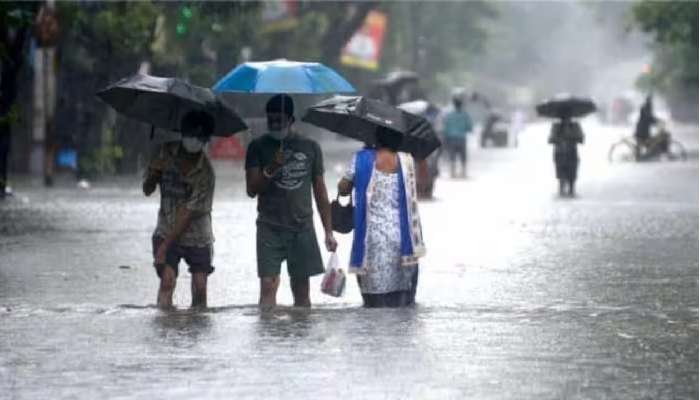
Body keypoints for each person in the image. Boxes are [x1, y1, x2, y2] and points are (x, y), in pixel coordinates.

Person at [245, 94, 337, 309]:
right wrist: (271, 168)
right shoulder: (257, 147)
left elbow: (320, 191)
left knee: (302, 291)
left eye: (280, 120)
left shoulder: (310, 147)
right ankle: (267, 336)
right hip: (269, 226)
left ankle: (300, 339)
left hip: (301, 227)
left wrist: (328, 231)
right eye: (271, 120)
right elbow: (251, 190)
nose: (275, 124)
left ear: (291, 120)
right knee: (268, 286)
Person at [337, 126, 426, 308]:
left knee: (373, 304)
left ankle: (374, 336)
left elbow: (343, 189)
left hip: (372, 241)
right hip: (403, 240)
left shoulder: (361, 159)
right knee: (402, 304)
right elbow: (415, 192)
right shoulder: (406, 161)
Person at [143, 111, 216, 309]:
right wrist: (154, 173)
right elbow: (147, 190)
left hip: (198, 234)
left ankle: (196, 331)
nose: (195, 140)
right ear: (183, 133)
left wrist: (164, 248)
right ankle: (165, 328)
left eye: (200, 137)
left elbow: (189, 213)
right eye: (192, 134)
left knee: (200, 288)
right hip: (166, 226)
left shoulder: (206, 172)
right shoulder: (162, 152)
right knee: (167, 281)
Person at [548, 116, 584, 197]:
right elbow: (550, 140)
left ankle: (571, 190)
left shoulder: (575, 126)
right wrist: (559, 139)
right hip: (560, 153)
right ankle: (561, 189)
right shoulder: (556, 126)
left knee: (572, 172)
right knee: (561, 173)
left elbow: (581, 139)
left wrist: (572, 137)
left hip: (572, 152)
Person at [441, 95, 473, 178]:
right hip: (461, 138)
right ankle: (463, 173)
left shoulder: (449, 115)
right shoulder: (465, 115)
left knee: (452, 156)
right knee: (463, 156)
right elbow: (469, 127)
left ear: (454, 104)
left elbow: (445, 127)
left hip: (451, 138)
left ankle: (452, 173)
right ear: (461, 104)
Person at [634, 95, 657, 160]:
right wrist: (656, 121)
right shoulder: (645, 107)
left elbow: (650, 117)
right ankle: (640, 157)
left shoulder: (647, 107)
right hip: (642, 130)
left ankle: (644, 156)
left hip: (644, 129)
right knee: (645, 142)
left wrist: (656, 121)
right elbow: (648, 117)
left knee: (647, 143)